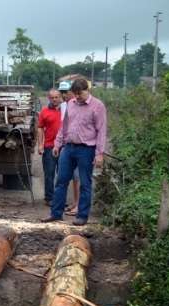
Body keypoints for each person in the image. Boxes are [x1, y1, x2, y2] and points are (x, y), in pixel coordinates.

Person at [42, 79, 107, 226]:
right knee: (61, 180)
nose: (77, 97)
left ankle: (82, 216)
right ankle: (56, 213)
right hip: (68, 148)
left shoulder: (97, 106)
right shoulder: (70, 104)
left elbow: (101, 131)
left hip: (86, 149)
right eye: (75, 94)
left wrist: (99, 153)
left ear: (87, 90)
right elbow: (63, 126)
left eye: (80, 94)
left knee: (85, 183)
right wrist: (57, 145)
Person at [37, 89, 63, 206]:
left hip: (64, 147)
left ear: (60, 97)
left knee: (63, 175)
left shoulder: (66, 110)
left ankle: (59, 199)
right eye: (52, 97)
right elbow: (40, 128)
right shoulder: (44, 111)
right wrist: (40, 144)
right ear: (48, 98)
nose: (54, 99)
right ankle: (49, 198)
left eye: (56, 97)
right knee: (49, 173)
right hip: (49, 147)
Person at [58, 81, 80, 215]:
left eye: (66, 92)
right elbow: (64, 126)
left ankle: (78, 205)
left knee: (79, 177)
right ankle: (74, 202)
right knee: (71, 176)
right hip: (67, 144)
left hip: (80, 145)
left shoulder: (80, 105)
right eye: (62, 92)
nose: (64, 95)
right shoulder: (64, 106)